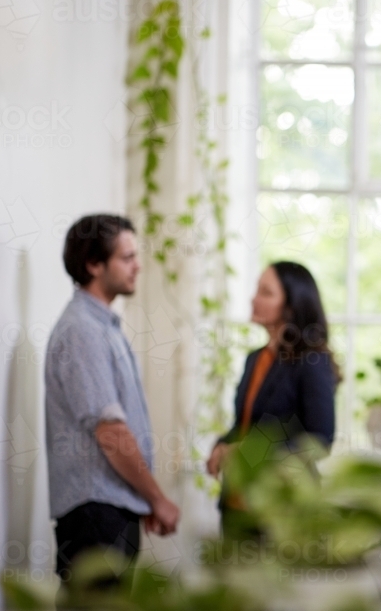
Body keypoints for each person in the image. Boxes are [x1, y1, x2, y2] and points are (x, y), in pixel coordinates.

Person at [45, 214, 180, 582]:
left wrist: (139, 498)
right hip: (94, 518)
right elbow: (110, 433)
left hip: (111, 510)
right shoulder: (83, 332)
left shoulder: (103, 328)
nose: (138, 266)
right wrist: (156, 498)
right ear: (93, 264)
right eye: (127, 257)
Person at [206, 261, 339, 535]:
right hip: (236, 504)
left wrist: (247, 454)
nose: (254, 299)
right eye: (257, 290)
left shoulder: (312, 361)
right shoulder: (255, 359)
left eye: (266, 292)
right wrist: (222, 444)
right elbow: (246, 425)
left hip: (282, 507)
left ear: (290, 306)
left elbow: (320, 439)